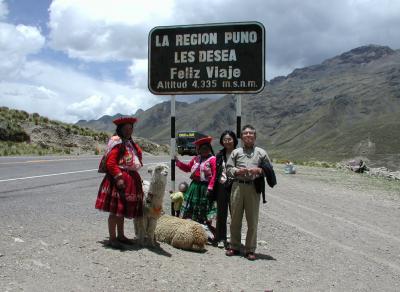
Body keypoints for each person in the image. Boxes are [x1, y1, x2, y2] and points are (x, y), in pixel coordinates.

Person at [95, 116, 144, 249]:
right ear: (120, 129)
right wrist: (119, 177)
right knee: (115, 211)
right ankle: (112, 238)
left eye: (131, 129)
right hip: (118, 181)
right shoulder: (117, 143)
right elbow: (111, 163)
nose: (129, 131)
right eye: (126, 129)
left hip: (128, 179)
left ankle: (121, 235)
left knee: (120, 210)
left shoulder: (128, 143)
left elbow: (137, 156)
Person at [225, 124, 271, 261]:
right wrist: (236, 171)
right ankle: (234, 246)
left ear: (255, 136)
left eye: (251, 133)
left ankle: (250, 249)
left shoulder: (261, 153)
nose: (248, 135)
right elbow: (228, 168)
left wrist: (260, 170)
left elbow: (269, 169)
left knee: (252, 220)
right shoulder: (236, 152)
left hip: (253, 188)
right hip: (237, 186)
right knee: (235, 219)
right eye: (245, 133)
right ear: (242, 137)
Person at [175, 136, 217, 234]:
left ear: (209, 148)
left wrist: (210, 188)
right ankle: (190, 227)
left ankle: (205, 230)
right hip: (194, 186)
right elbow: (188, 168)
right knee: (191, 207)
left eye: (206, 148)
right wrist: (178, 162)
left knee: (204, 208)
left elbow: (215, 174)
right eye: (201, 149)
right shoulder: (196, 159)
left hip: (205, 187)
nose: (203, 150)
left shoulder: (212, 159)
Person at [212, 130, 238, 248]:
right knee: (221, 213)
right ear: (222, 141)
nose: (227, 141)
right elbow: (215, 171)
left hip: (236, 185)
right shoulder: (219, 155)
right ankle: (220, 238)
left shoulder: (240, 153)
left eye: (229, 139)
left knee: (235, 213)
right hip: (222, 185)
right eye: (225, 140)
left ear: (234, 140)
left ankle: (234, 240)